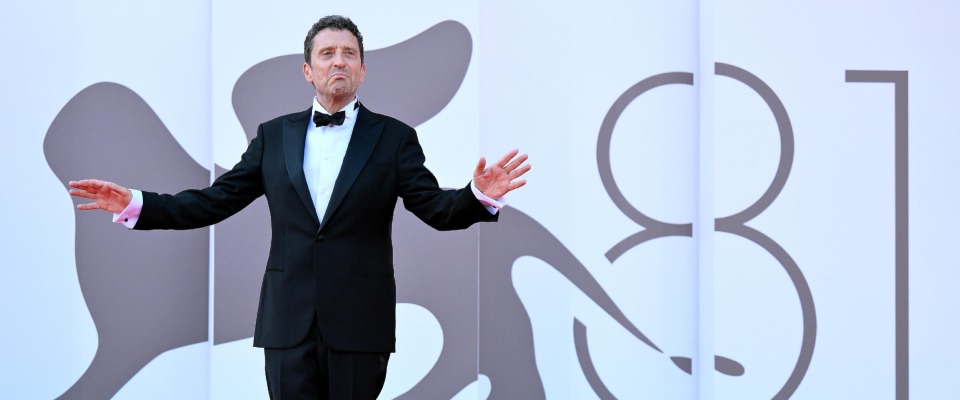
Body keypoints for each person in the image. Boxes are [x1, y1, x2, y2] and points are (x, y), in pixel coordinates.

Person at [69, 15, 530, 400]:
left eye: (349, 53)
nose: (339, 61)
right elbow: (214, 201)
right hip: (287, 322)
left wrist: (477, 195)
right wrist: (138, 203)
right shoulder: (274, 136)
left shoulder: (394, 138)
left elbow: (435, 208)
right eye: (327, 53)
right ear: (308, 70)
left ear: (363, 70)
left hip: (359, 325)